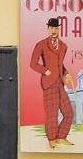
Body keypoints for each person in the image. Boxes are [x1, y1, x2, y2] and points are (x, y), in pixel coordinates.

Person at [29, 17, 75, 147]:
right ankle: (52, 139)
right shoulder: (41, 44)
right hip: (49, 83)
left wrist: (67, 74)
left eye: (56, 28)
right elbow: (33, 63)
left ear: (59, 29)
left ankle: (61, 137)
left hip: (60, 83)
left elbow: (60, 65)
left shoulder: (63, 46)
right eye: (52, 28)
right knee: (52, 114)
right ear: (48, 29)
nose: (54, 30)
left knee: (69, 113)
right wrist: (45, 71)